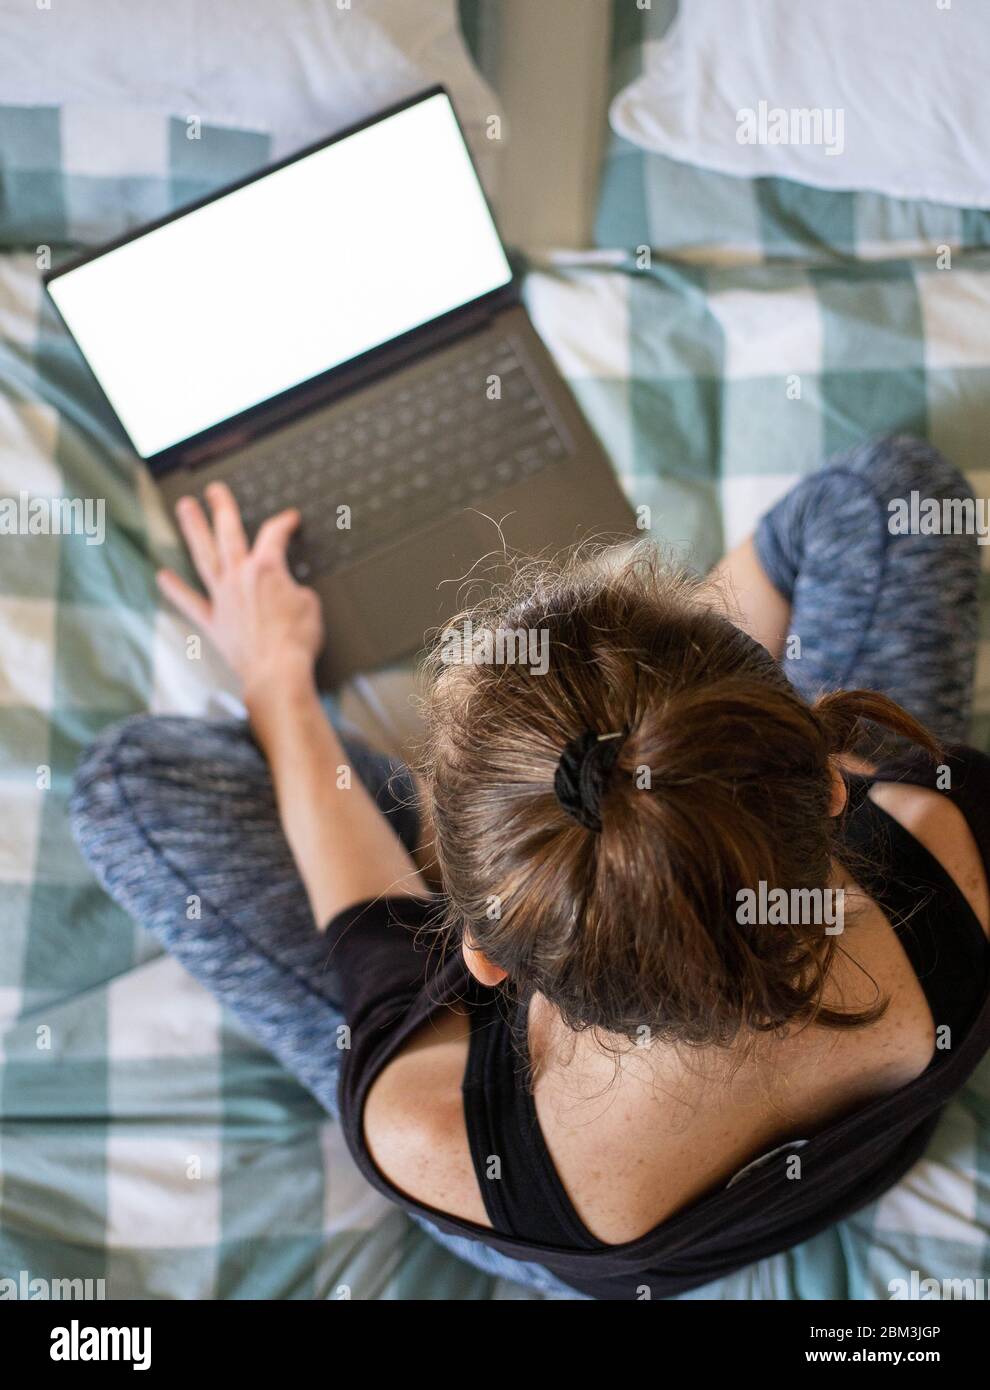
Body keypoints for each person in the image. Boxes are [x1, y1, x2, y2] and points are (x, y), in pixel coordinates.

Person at [69, 438, 990, 1300]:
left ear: (482, 957)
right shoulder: (949, 832)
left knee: (124, 783)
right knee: (893, 496)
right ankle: (607, 809)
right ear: (831, 787)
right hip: (856, 1138)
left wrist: (275, 677)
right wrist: (701, 761)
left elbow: (376, 932)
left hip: (579, 1215)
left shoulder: (437, 1138)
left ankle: (569, 837)